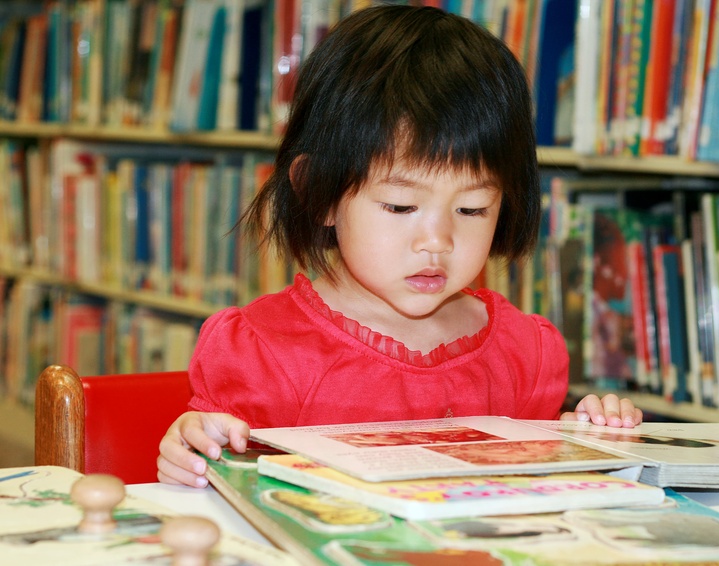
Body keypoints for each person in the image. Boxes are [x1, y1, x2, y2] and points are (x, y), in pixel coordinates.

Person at [157, 4, 643, 488]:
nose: (437, 241)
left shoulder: (524, 352)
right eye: (399, 206)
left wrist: (588, 436)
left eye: (472, 209)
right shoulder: (266, 352)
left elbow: (535, 483)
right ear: (319, 193)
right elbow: (222, 471)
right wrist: (193, 449)